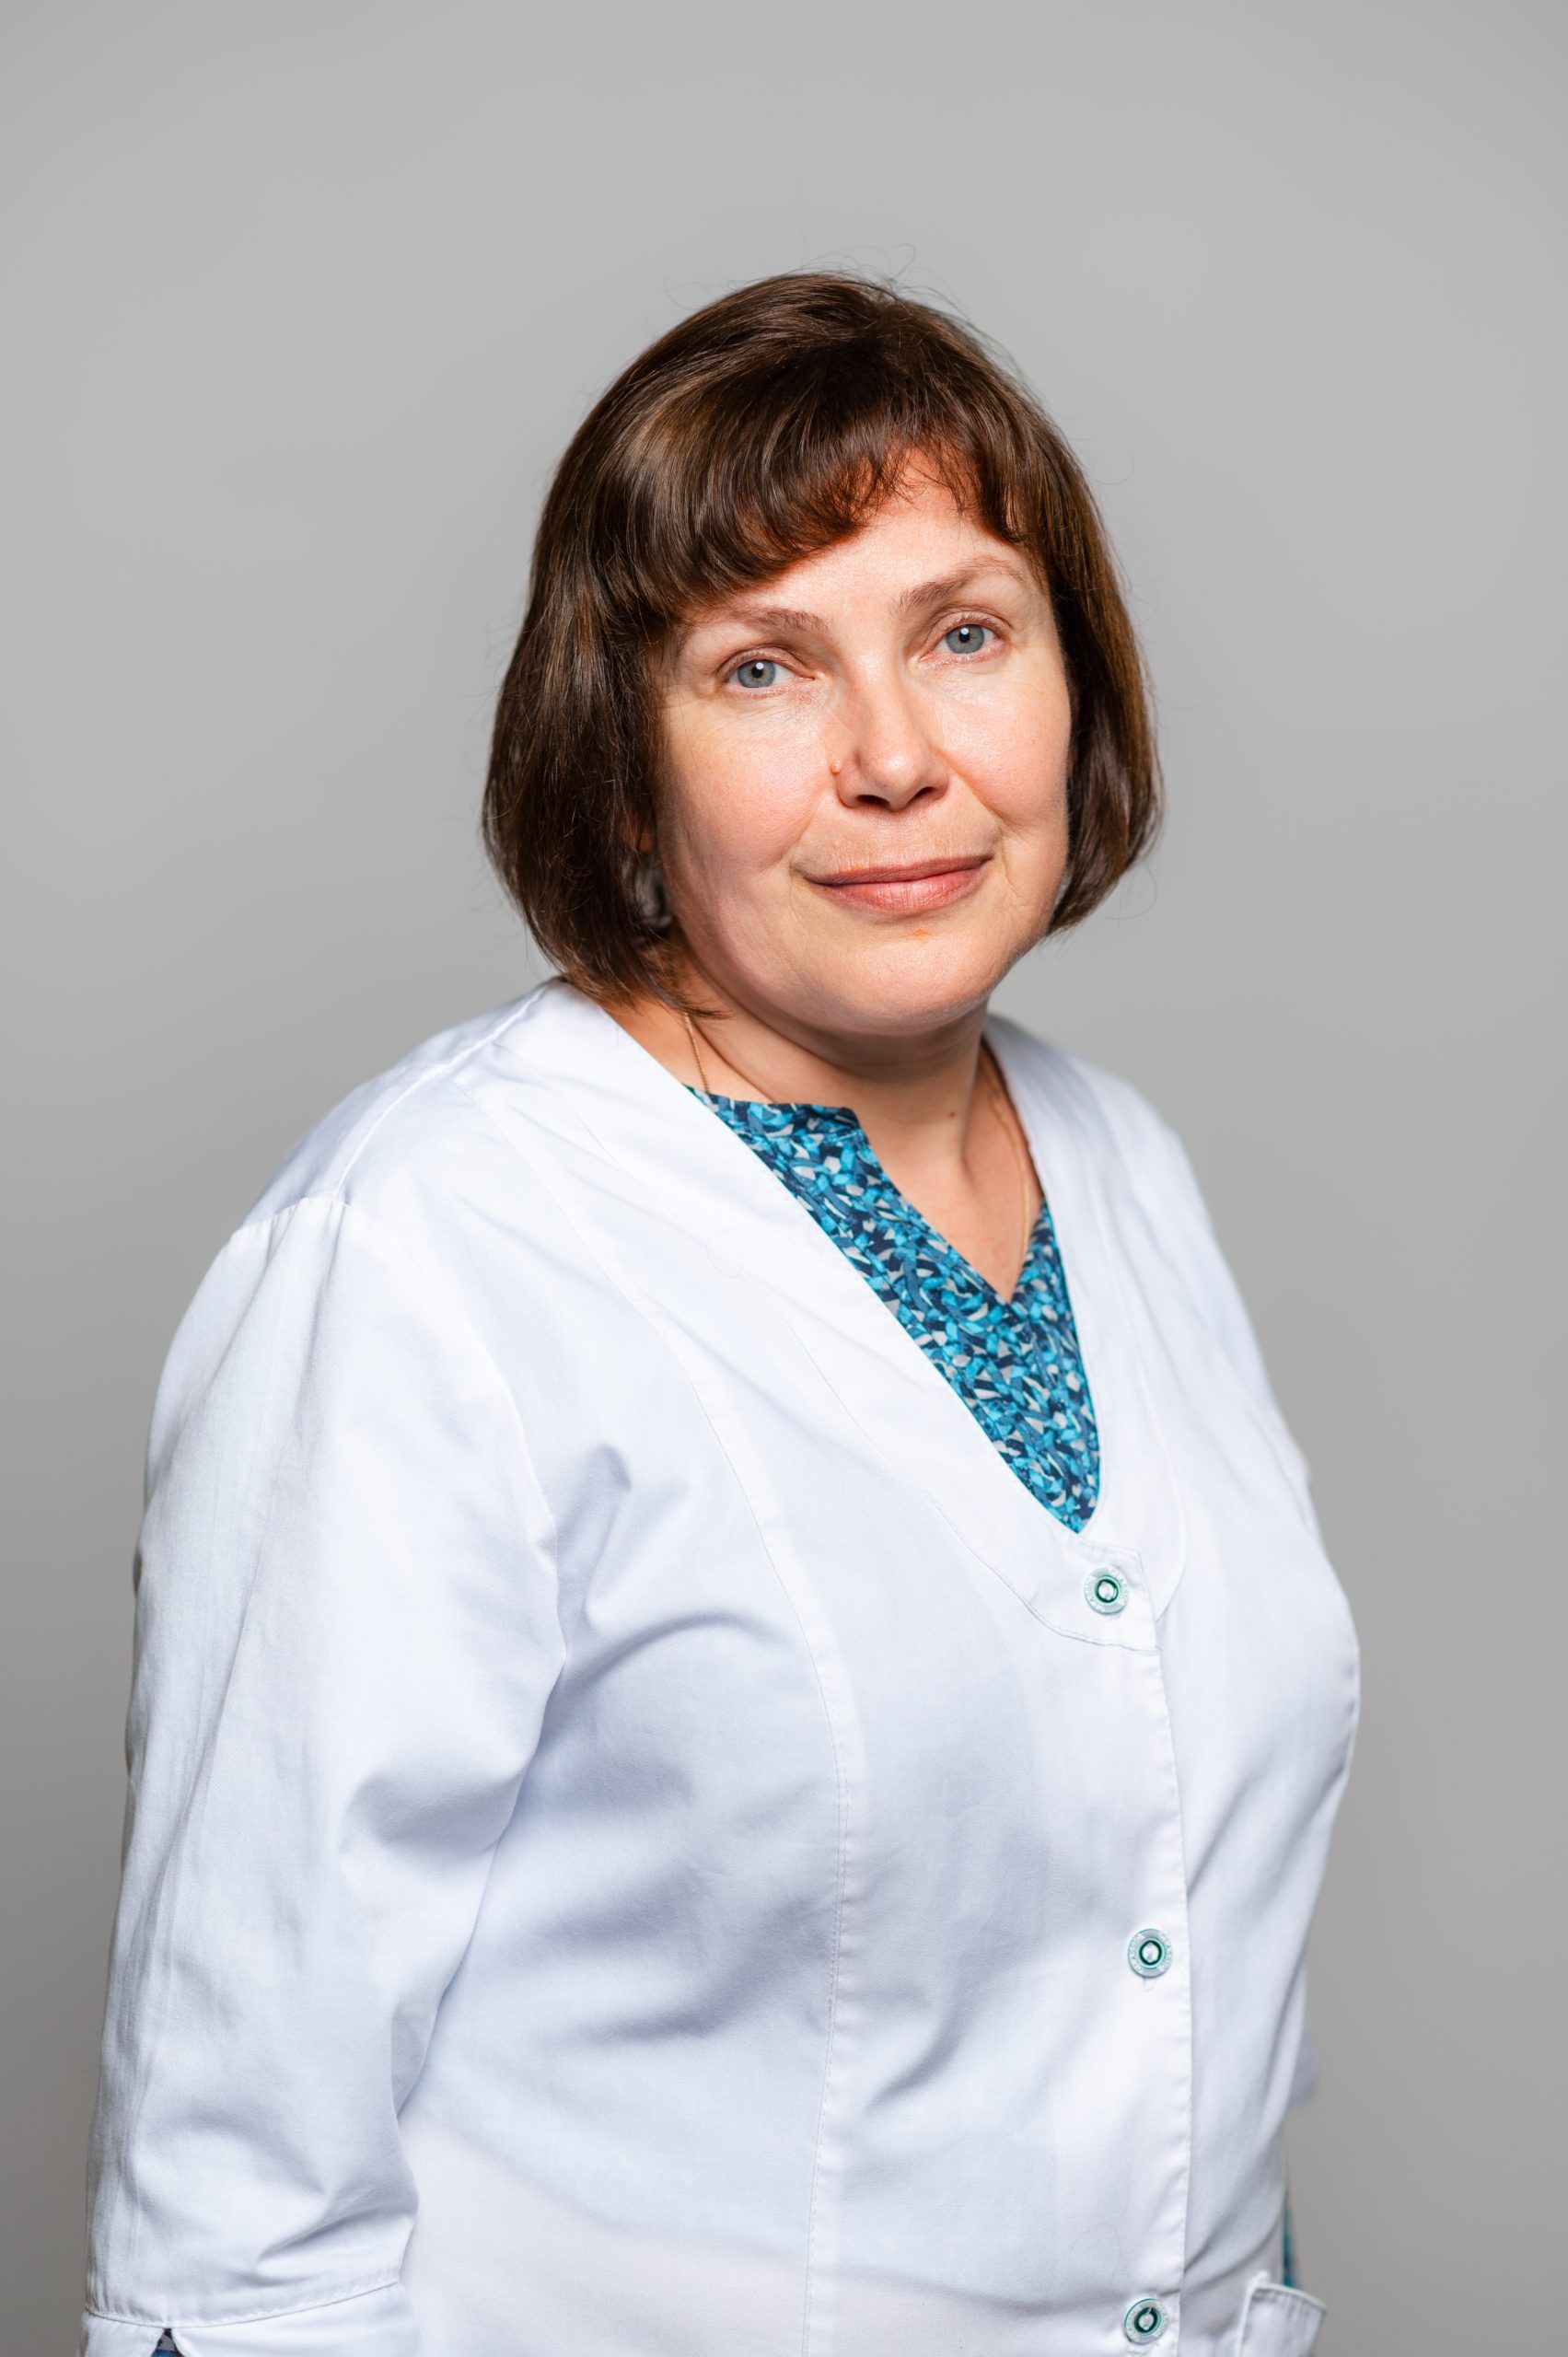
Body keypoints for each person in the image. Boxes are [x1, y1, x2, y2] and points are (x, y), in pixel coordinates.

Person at [78, 271, 1359, 2357]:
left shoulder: (1122, 1163)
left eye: (965, 635)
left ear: (1077, 679)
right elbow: (238, 2216)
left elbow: (1177, 1940)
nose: (896, 759)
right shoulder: (424, 1250)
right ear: (619, 756)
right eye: (764, 666)